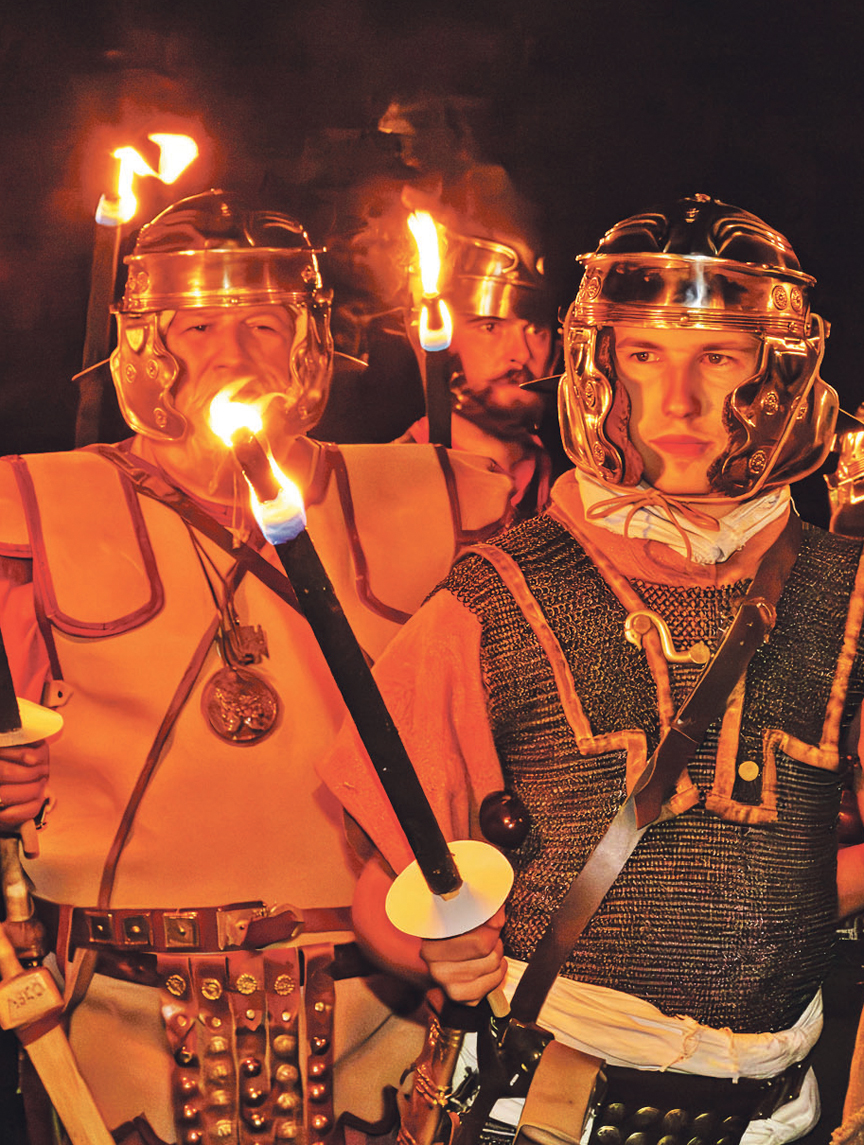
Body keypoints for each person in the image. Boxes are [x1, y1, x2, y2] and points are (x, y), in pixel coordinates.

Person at [325, 195, 864, 1144]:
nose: (681, 400)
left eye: (721, 356)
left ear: (778, 372)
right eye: (646, 354)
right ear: (598, 367)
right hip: (547, 1110)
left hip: (785, 1114)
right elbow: (388, 879)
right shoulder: (495, 592)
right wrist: (426, 948)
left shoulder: (846, 589)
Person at [0, 190, 514, 1145]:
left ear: (312, 339)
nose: (231, 356)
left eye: (264, 325)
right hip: (116, 1015)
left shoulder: (446, 499)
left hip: (384, 1012)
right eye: (196, 326)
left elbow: (520, 737)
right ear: (144, 342)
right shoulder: (32, 505)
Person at [399, 217, 558, 521]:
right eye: (490, 327)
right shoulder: (390, 476)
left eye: (536, 330)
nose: (520, 354)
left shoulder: (569, 484)